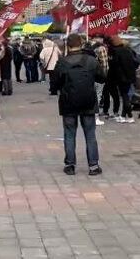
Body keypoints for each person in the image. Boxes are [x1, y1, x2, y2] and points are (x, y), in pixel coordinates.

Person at [54, 34, 105, 176]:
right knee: (90, 134)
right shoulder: (90, 60)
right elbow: (102, 78)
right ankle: (93, 166)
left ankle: (70, 165)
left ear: (68, 46)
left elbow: (55, 84)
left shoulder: (62, 62)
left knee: (69, 134)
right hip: (88, 101)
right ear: (81, 44)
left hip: (68, 102)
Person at [108, 36, 138, 124]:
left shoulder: (115, 52)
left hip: (121, 78)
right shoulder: (128, 50)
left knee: (125, 97)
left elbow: (114, 66)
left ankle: (130, 116)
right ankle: (123, 116)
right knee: (126, 96)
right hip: (130, 77)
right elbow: (134, 63)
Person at [90, 35, 109, 126]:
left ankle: (89, 115)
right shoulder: (101, 48)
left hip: (88, 76)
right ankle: (95, 117)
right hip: (98, 77)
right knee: (97, 96)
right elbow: (105, 65)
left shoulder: (87, 47)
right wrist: (104, 76)